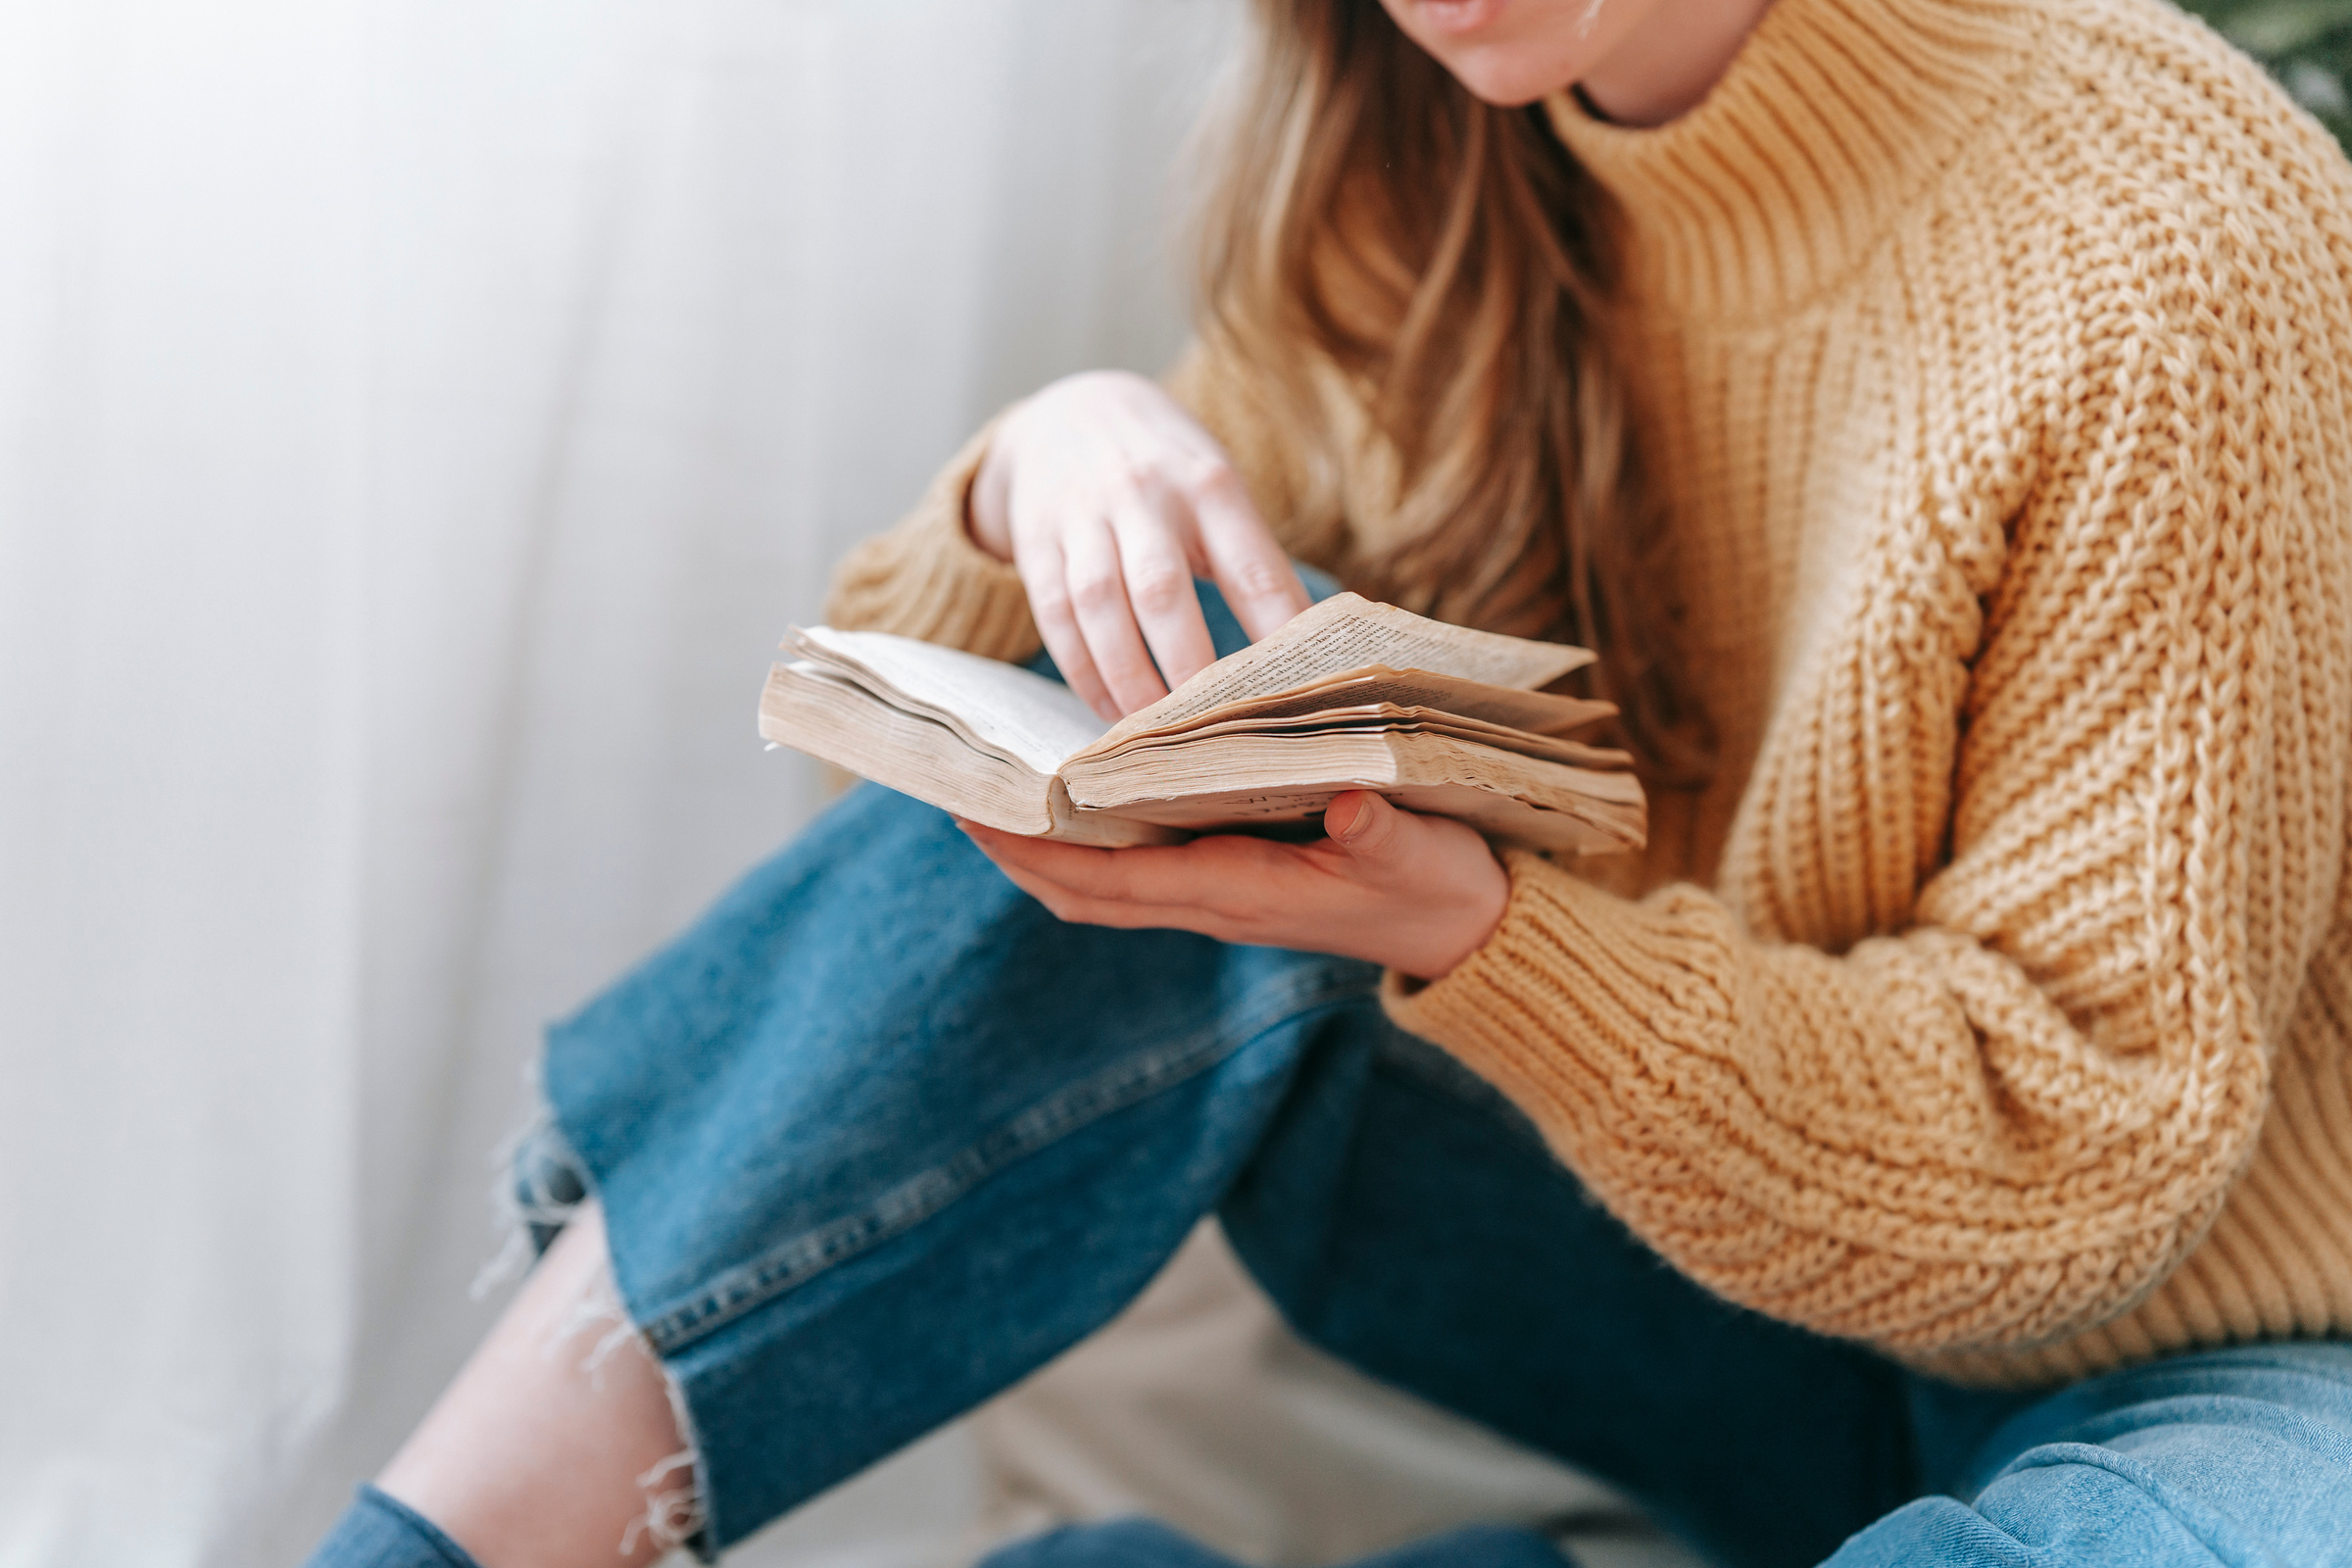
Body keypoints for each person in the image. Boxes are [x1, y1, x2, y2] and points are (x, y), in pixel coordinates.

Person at [303, 0, 2352, 1563]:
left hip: (2243, 1357)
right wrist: (1049, 468)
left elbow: (2070, 1168)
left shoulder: (2160, 228)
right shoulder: (1435, 162)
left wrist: (1487, 933)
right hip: (1749, 1318)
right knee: (1106, 745)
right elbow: (927, 772)